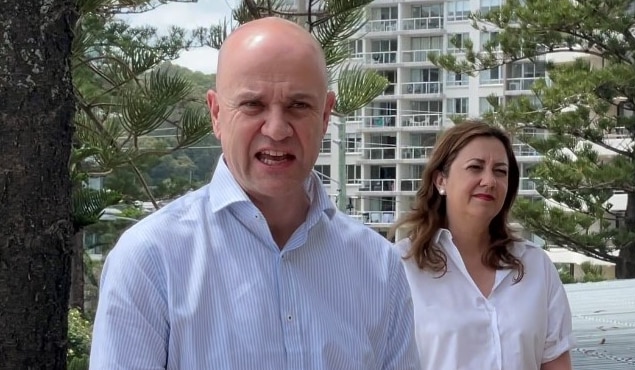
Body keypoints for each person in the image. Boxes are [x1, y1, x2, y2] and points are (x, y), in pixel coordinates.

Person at [89, 17, 420, 370]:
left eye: (298, 106)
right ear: (216, 114)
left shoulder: (378, 267)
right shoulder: (151, 259)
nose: (276, 129)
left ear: (325, 115)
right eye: (252, 105)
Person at [389, 121, 575, 370]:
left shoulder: (536, 266)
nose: (489, 181)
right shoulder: (399, 267)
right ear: (441, 180)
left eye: (500, 171)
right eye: (475, 167)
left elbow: (556, 363)